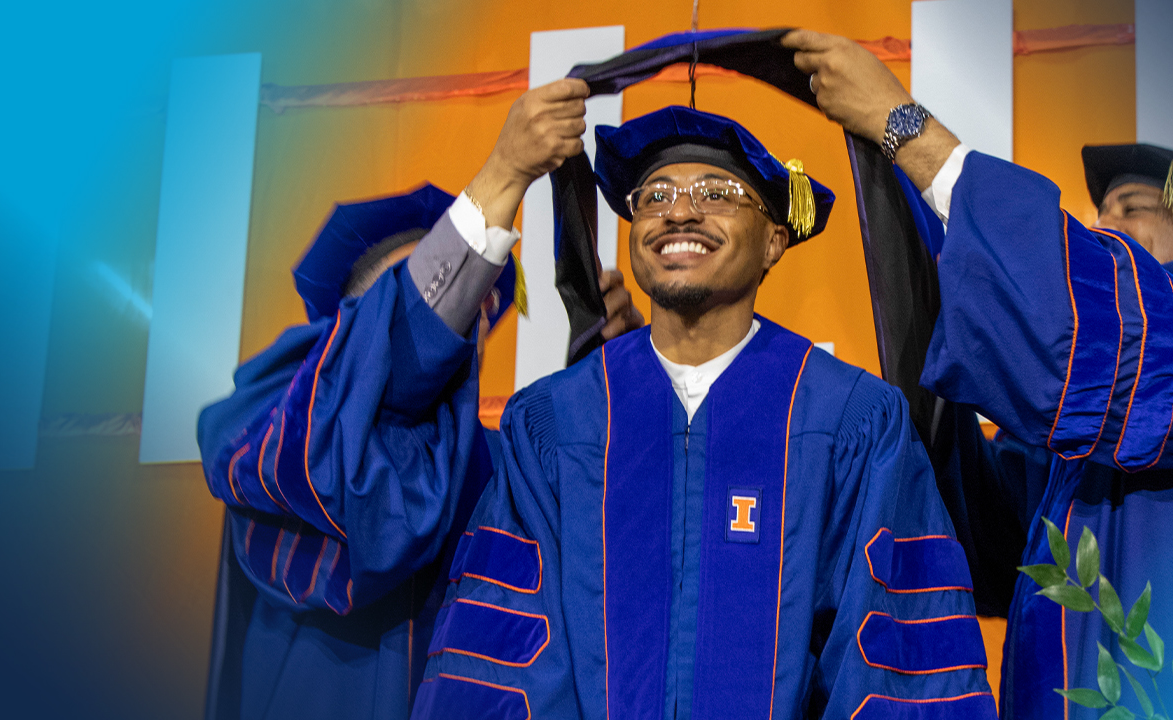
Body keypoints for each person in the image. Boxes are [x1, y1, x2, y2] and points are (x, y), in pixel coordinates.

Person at [786, 29, 1173, 720]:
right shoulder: (1098, 415)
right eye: (1101, 212)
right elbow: (992, 527)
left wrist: (903, 128)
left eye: (1134, 210)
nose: (1104, 224)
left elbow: (1088, 321)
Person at [408, 93, 997, 717]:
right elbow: (504, 654)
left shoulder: (848, 417)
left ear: (774, 240)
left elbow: (895, 658)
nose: (679, 212)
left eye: (716, 192)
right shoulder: (555, 422)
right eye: (653, 197)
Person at [194, 105, 644, 719]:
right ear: (350, 325)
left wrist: (610, 384)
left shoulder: (498, 461)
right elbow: (389, 375)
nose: (463, 314)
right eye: (423, 289)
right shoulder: (266, 427)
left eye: (476, 304)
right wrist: (504, 174)